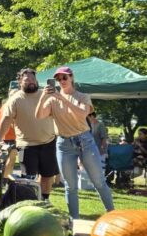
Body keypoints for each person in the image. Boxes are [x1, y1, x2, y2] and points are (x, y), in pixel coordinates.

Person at [35, 66, 114, 221]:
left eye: (64, 77)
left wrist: (62, 98)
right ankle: (74, 221)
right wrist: (43, 97)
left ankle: (112, 215)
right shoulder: (52, 99)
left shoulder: (82, 96)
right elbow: (38, 116)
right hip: (63, 143)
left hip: (85, 141)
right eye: (58, 79)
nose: (61, 81)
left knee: (99, 181)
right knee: (70, 186)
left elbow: (82, 114)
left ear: (71, 77)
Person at [0, 69, 57, 199]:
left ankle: (44, 200)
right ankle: (29, 201)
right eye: (27, 80)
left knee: (47, 176)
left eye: (33, 79)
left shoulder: (45, 95)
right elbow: (6, 120)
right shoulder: (15, 99)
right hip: (26, 145)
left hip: (49, 142)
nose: (31, 82)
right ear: (20, 82)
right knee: (28, 178)